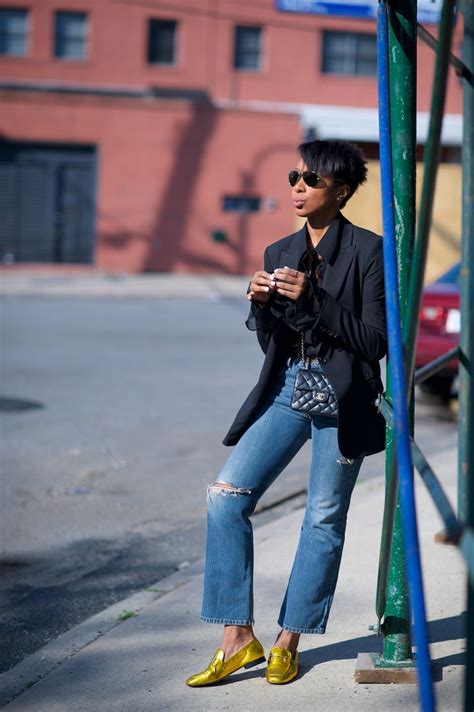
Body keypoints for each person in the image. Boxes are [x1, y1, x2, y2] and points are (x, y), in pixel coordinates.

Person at [186, 139, 387, 687]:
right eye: (294, 177)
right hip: (289, 389)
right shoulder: (278, 252)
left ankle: (288, 641)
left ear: (340, 192)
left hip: (344, 396)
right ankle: (237, 638)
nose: (298, 187)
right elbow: (272, 344)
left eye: (311, 180)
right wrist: (260, 305)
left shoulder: (370, 251)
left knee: (322, 517)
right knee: (226, 498)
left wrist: (315, 301)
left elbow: (375, 343)